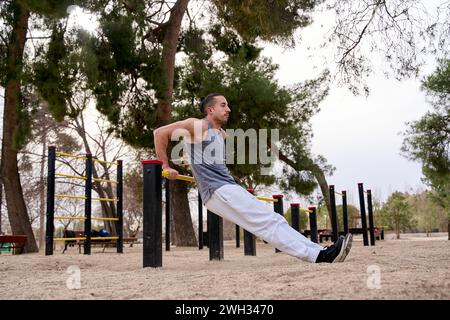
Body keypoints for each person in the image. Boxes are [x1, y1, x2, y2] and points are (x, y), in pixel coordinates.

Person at [153, 93, 352, 263]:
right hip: (217, 190)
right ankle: (319, 256)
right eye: (223, 105)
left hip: (225, 187)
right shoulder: (197, 125)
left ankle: (320, 252)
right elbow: (160, 133)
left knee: (274, 219)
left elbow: (210, 161)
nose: (228, 109)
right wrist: (165, 165)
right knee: (267, 222)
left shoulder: (221, 134)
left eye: (228, 105)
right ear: (210, 110)